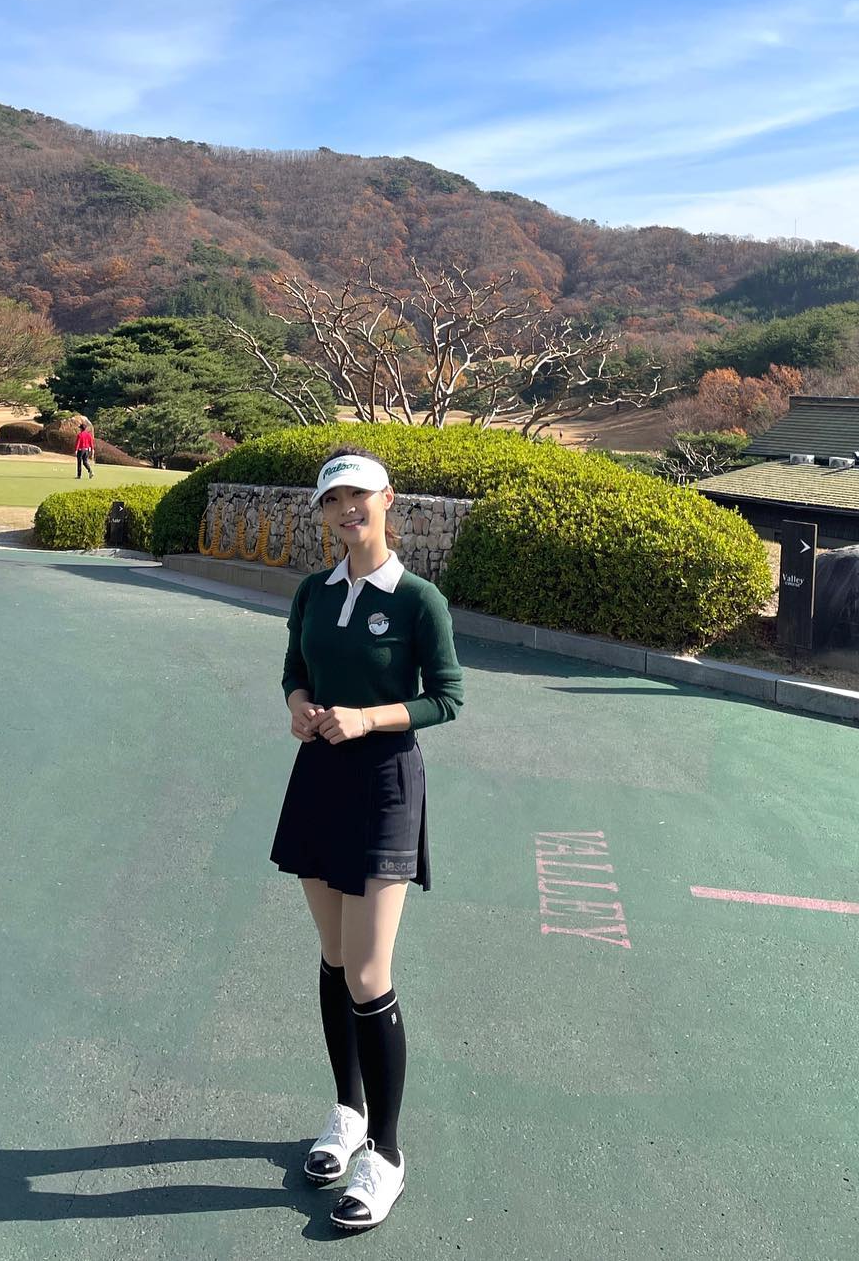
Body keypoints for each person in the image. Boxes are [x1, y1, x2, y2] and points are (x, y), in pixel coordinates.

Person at [270, 448, 463, 1231]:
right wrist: (300, 705)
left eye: (359, 496)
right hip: (318, 777)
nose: (347, 510)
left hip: (385, 784)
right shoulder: (313, 592)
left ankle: (386, 1155)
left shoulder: (418, 600)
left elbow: (446, 698)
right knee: (334, 956)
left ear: (388, 500)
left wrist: (366, 719)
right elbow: (295, 666)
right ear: (324, 513)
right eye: (333, 500)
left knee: (369, 971)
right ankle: (347, 1113)